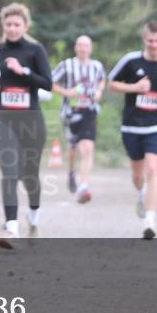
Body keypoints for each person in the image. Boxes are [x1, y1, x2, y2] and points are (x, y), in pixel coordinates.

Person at [107, 20, 157, 239]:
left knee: (152, 169)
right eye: (151, 41)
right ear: (144, 40)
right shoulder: (131, 61)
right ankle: (141, 194)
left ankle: (150, 220)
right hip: (132, 126)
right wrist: (135, 88)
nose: (155, 45)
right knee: (138, 174)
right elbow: (111, 83)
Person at [0, 3, 52, 248]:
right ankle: (12, 228)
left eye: (17, 25)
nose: (13, 29)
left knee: (30, 175)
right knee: (9, 172)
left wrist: (22, 70)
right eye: (8, 25)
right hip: (3, 121)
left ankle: (34, 214)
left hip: (31, 122)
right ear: (3, 26)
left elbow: (47, 83)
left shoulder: (35, 50)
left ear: (25, 26)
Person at [51, 35, 106, 204]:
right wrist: (68, 93)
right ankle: (71, 172)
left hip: (89, 111)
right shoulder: (66, 65)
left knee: (87, 147)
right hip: (70, 113)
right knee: (73, 149)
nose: (83, 49)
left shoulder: (96, 66)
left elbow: (102, 80)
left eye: (86, 46)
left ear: (90, 48)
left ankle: (84, 186)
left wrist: (99, 92)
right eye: (80, 45)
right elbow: (50, 82)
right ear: (76, 48)